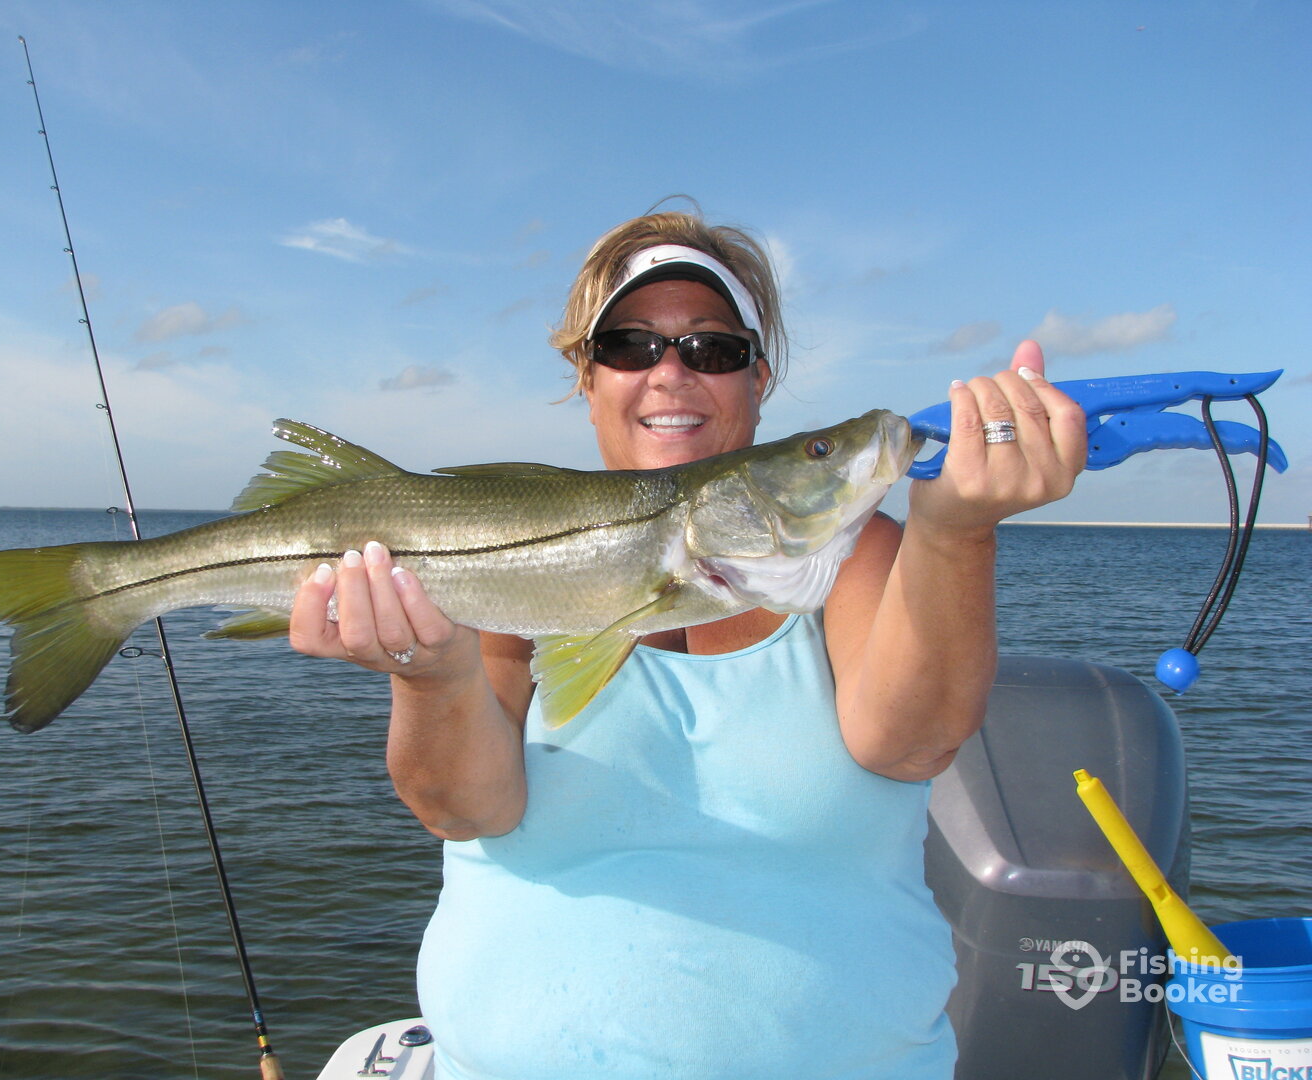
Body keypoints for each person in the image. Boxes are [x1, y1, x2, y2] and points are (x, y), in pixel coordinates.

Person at [288, 208, 1087, 1078]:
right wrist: (432, 677)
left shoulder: (859, 555)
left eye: (711, 349)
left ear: (758, 379)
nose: (670, 373)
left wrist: (957, 534)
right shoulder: (506, 560)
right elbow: (465, 811)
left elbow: (912, 742)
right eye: (629, 346)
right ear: (587, 377)